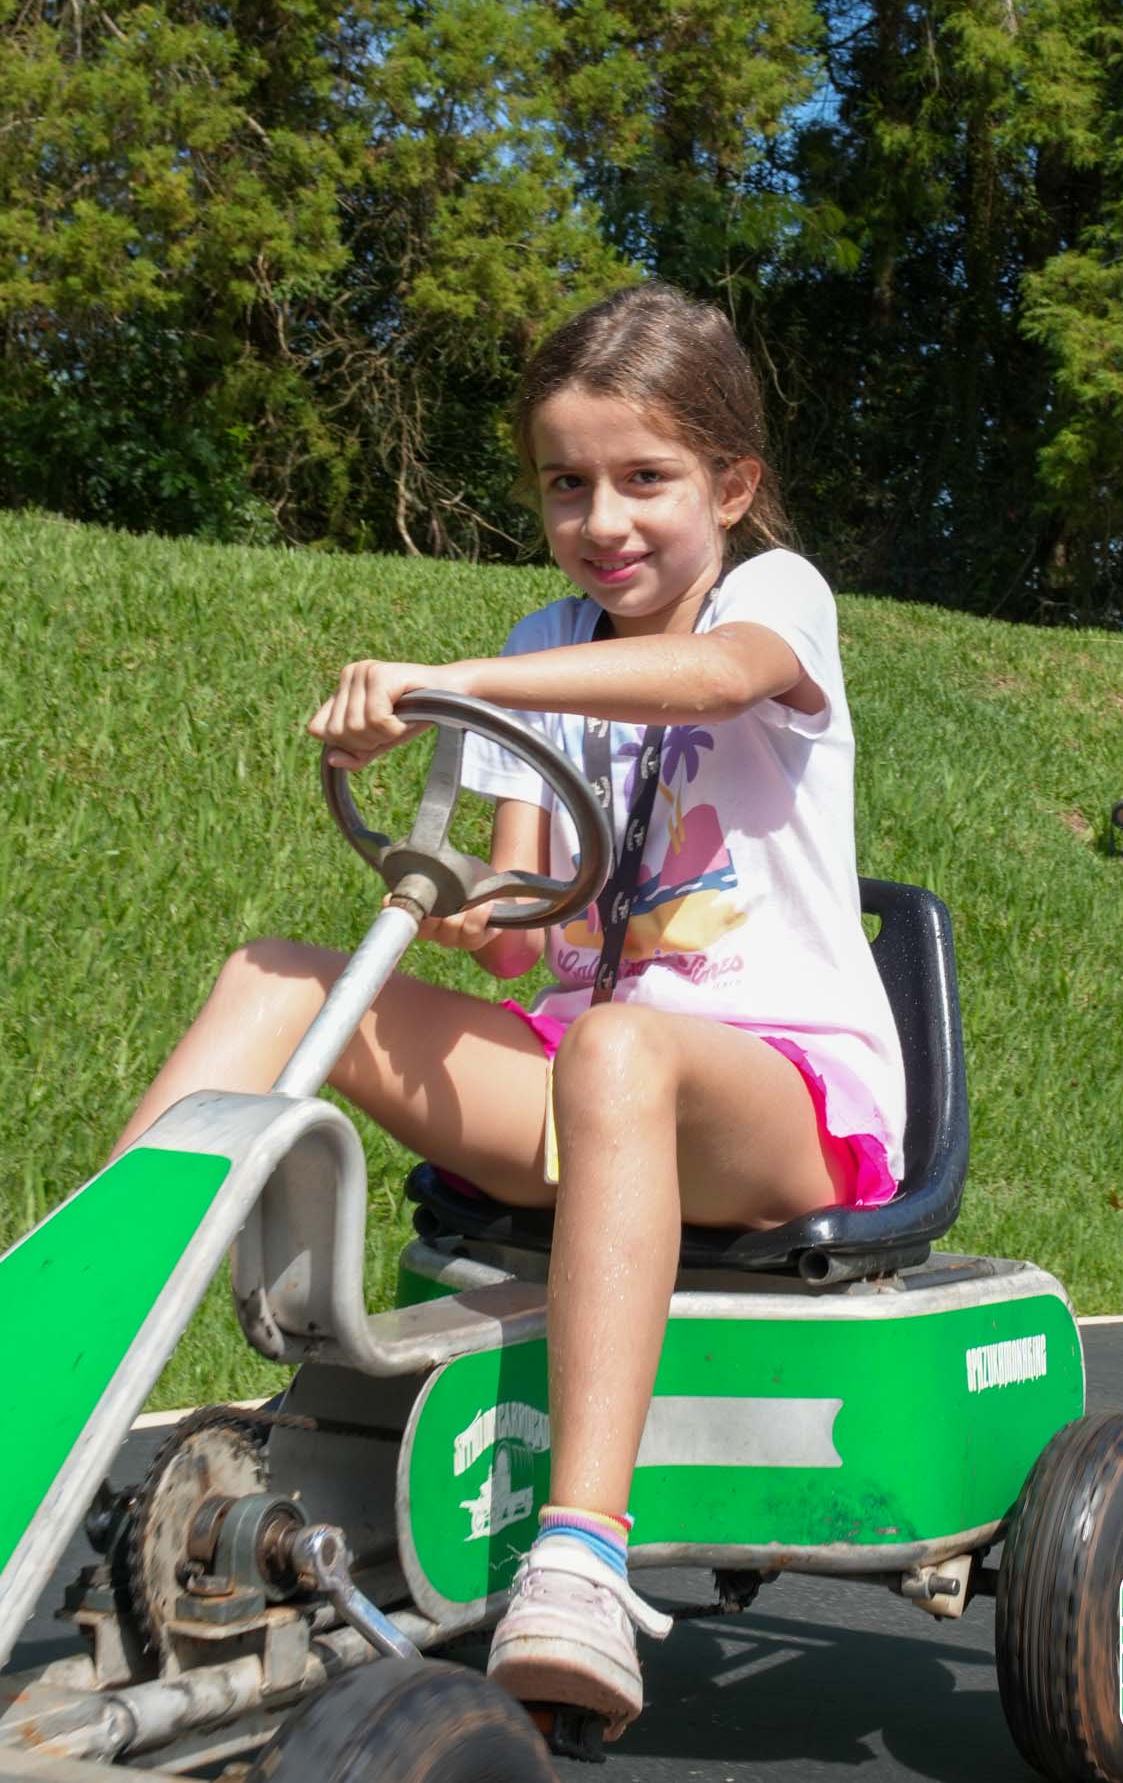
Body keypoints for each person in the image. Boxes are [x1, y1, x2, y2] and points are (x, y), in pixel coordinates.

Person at [114, 281, 905, 1735]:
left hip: (782, 1096)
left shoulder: (773, 598)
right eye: (565, 485)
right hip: (582, 1067)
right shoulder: (547, 636)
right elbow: (524, 920)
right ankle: (62, 1378)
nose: (603, 520)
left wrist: (456, 680)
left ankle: (581, 1559)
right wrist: (475, 909)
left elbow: (715, 681)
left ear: (732, 486)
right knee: (277, 979)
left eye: (645, 479)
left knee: (617, 1045)